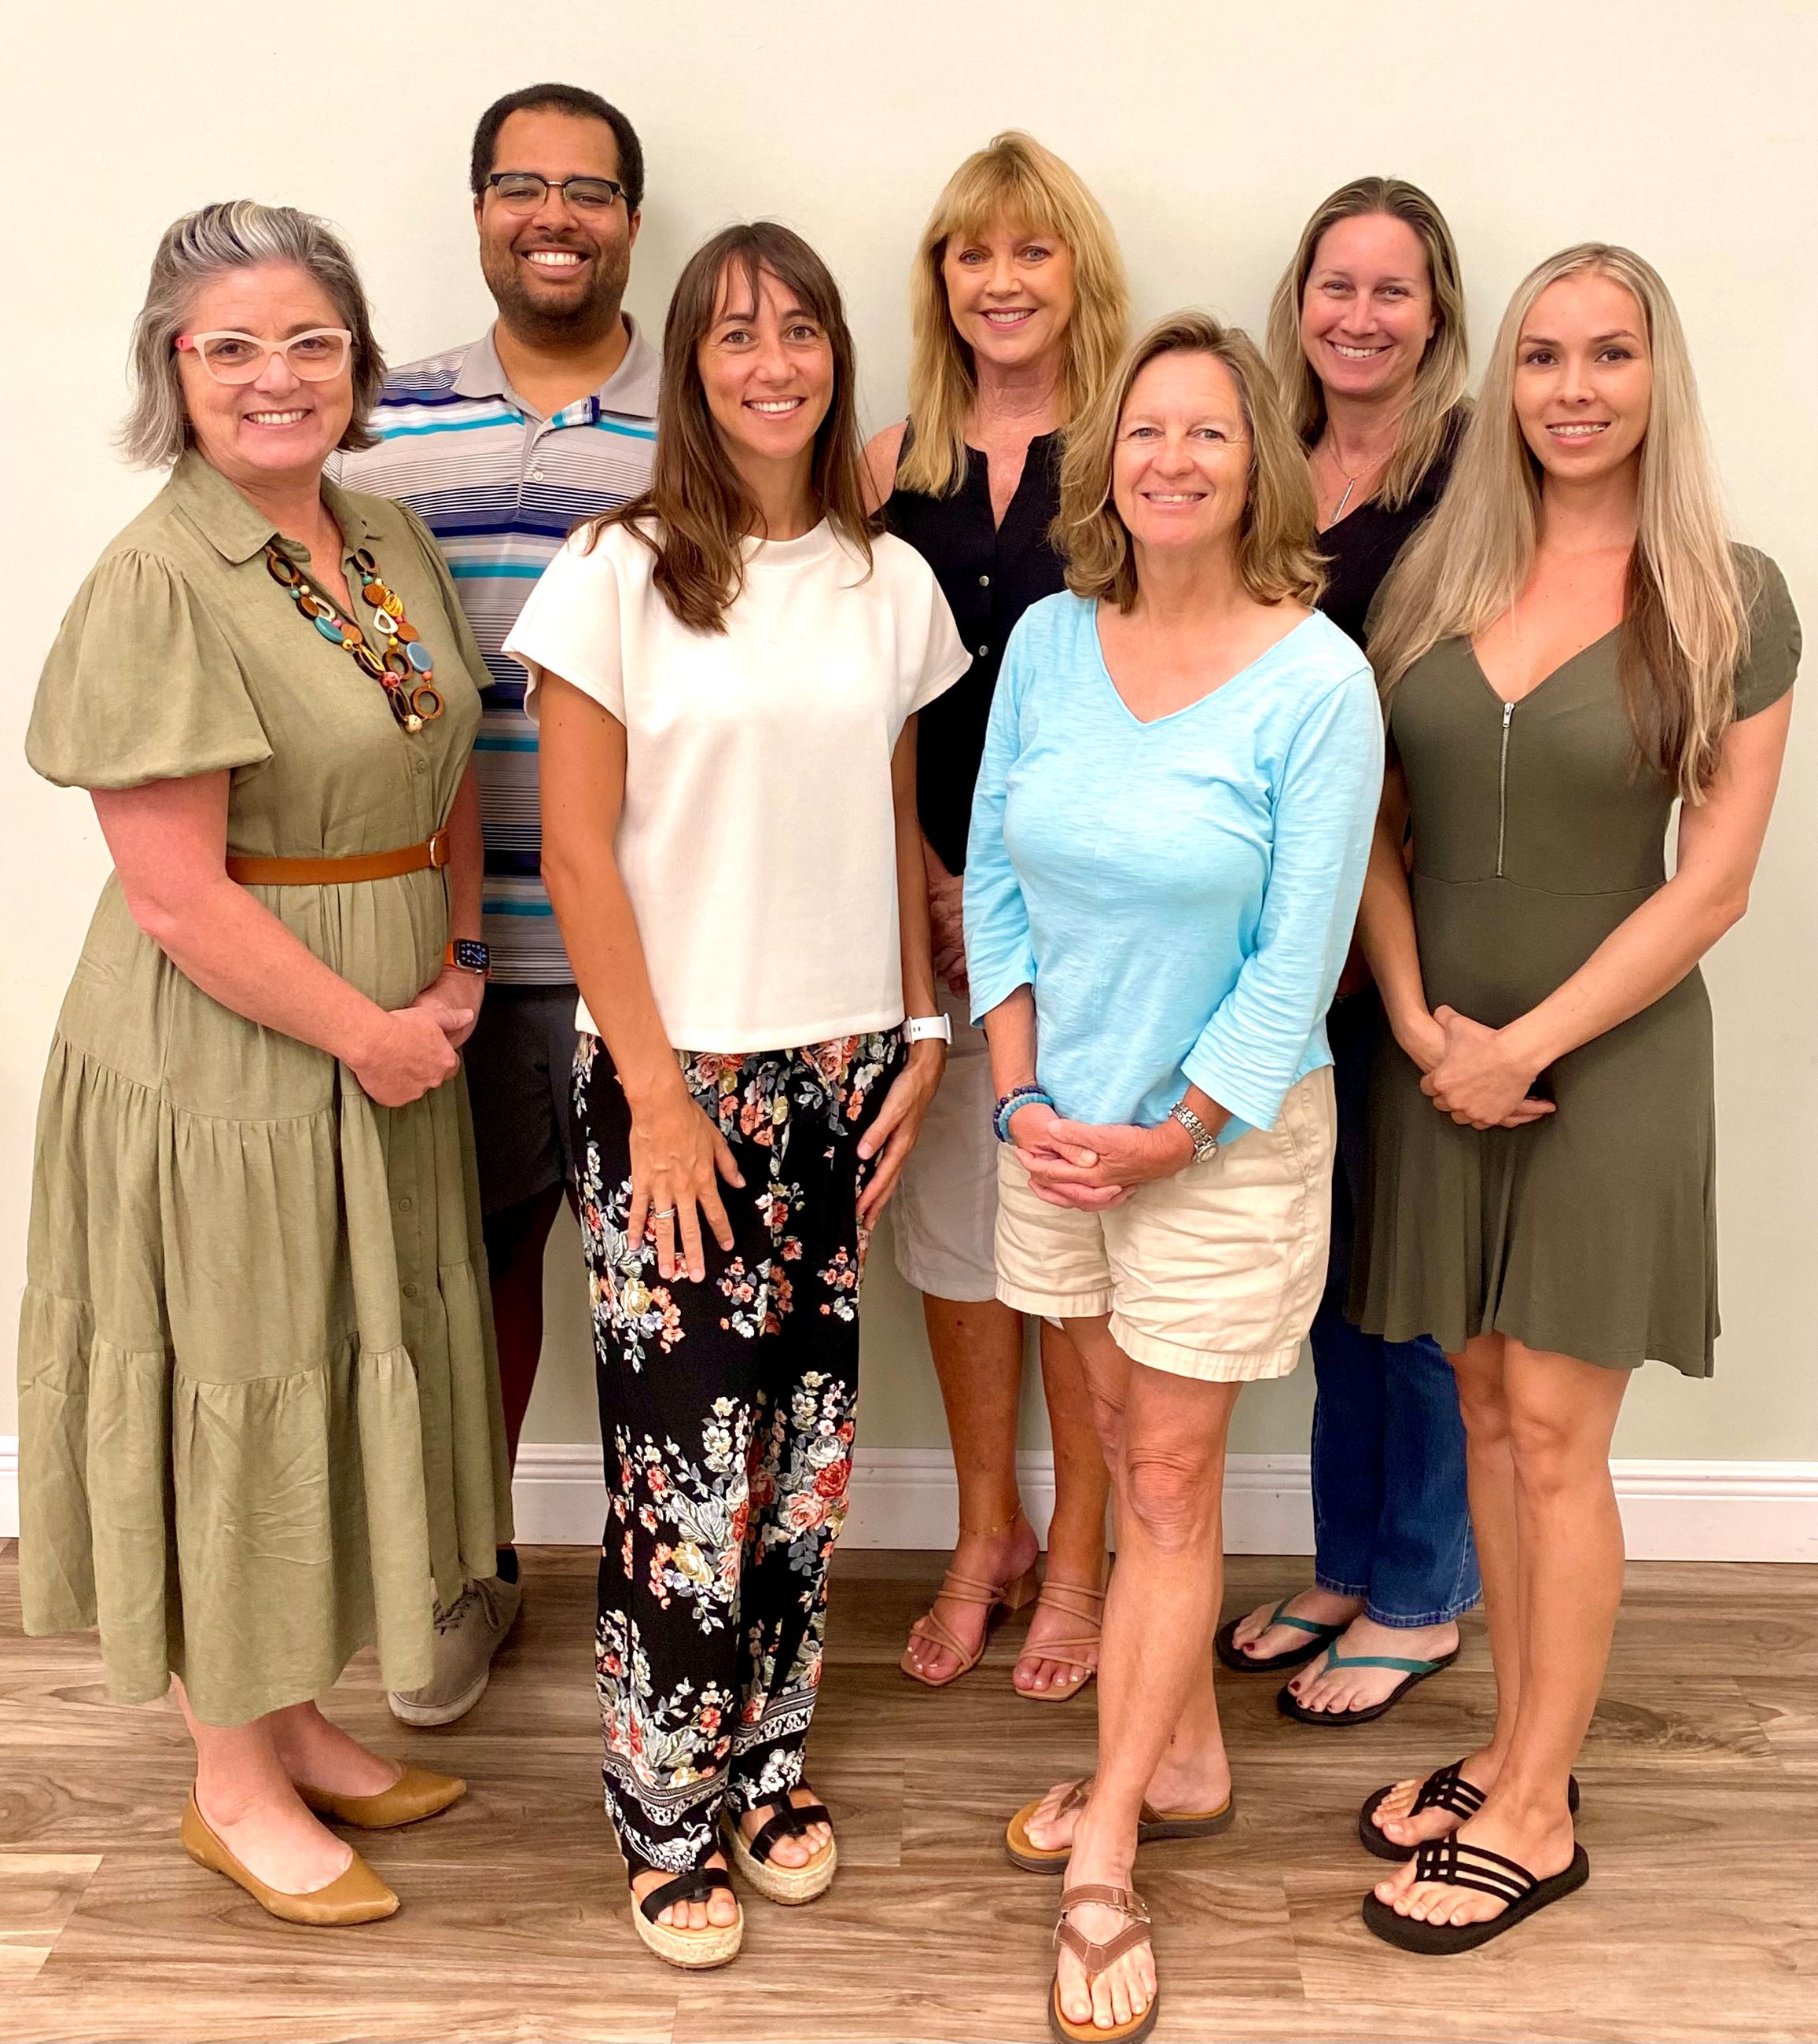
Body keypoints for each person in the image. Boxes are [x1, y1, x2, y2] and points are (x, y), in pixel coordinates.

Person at [17, 201, 511, 1924]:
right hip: (229, 1062)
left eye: (309, 341)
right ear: (177, 370)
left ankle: (297, 1719)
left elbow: (446, 754)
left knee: (325, 1352)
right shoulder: (160, 578)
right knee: (237, 1373)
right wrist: (368, 1030)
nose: (276, 377)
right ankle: (227, 1777)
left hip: (386, 1026)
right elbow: (169, 895)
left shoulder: (383, 540)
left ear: (359, 366)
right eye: (232, 347)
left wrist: (453, 963)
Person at [506, 222, 966, 1969]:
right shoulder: (617, 572)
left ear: (838, 355)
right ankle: (663, 1800)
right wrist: (662, 1096)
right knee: (683, 1474)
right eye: (731, 335)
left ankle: (769, 1760)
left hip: (843, 1066)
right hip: (670, 1072)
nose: (770, 362)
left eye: (799, 333)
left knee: (801, 1461)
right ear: (689, 366)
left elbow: (896, 826)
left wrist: (922, 1035)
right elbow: (570, 850)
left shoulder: (888, 583)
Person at [1351, 244, 1798, 1952]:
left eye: (1610, 354)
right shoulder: (1434, 577)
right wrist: (1414, 1018)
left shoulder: (1725, 594)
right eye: (1543, 355)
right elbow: (1374, 832)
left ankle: (1538, 1807)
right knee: (1478, 1408)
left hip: (1601, 1066)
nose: (1575, 388)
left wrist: (1521, 1044)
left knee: (1555, 1429)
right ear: (1507, 381)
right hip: (1434, 1051)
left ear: (1654, 374)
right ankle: (1507, 1741)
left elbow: (1714, 884)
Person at [974, 314, 1382, 2041]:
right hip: (1051, 1130)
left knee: (1158, 1486)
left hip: (1219, 1144)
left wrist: (1173, 1131)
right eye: (1147, 430)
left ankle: (1113, 1846)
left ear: (1256, 466)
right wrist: (1015, 1103)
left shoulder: (1315, 680)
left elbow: (1300, 959)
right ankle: (1188, 1752)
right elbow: (990, 876)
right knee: (1105, 1440)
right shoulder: (1051, 645)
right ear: (1107, 459)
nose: (1172, 459)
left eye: (1209, 433)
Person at [337, 83, 659, 1728]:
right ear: (476, 211)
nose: (555, 215)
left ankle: (656, 1593)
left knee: (657, 1297)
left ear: (629, 221)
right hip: (442, 958)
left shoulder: (713, 427)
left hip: (650, 959)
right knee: (462, 1283)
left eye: (588, 191)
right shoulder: (373, 425)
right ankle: (470, 1564)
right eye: (521, 186)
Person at [863, 131, 1130, 1701]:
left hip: (1092, 925)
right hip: (931, 912)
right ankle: (989, 1536)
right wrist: (927, 877)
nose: (1000, 278)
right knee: (961, 1239)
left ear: (1075, 272)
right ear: (942, 282)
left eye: (1029, 250)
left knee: (1080, 1238)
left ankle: (1084, 1558)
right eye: (972, 253)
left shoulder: (1135, 451)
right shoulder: (884, 464)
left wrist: (1024, 892)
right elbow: (858, 705)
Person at [1218, 176, 1479, 1727]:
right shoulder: (1261, 465)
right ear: (1298, 301)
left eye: (1392, 290)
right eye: (1336, 285)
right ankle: (1347, 1558)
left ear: (1435, 310)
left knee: (1419, 1273)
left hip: (1418, 922)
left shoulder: (1469, 486)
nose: (1360, 317)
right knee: (1329, 1268)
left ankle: (1426, 1590)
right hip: (1272, 933)